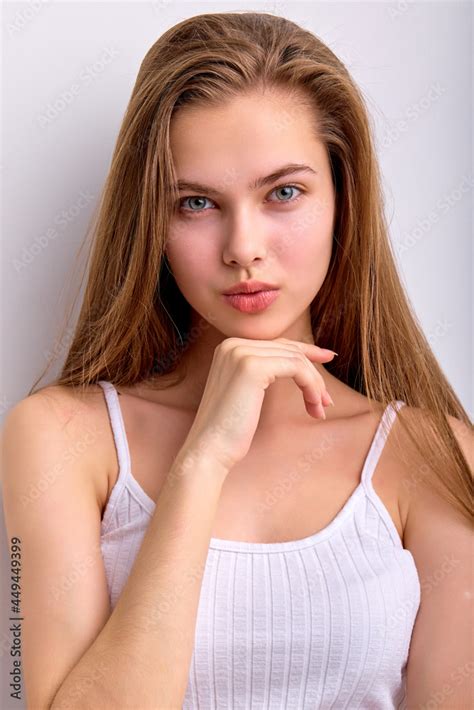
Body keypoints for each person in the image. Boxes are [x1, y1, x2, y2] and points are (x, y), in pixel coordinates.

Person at [1, 11, 472, 710]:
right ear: (152, 226)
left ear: (345, 199)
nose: (242, 247)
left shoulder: (437, 457)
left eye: (284, 192)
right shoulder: (57, 439)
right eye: (196, 203)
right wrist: (202, 463)